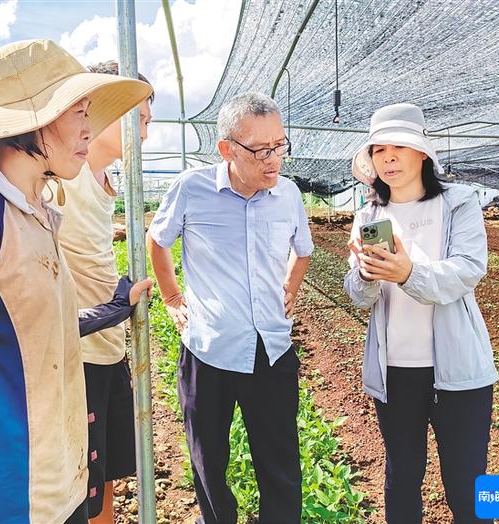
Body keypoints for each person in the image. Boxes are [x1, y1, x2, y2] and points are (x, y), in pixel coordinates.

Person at [0, 39, 152, 523]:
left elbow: (31, 331)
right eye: (77, 112)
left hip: (52, 485)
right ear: (30, 121)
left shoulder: (37, 214)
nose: (89, 127)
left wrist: (112, 308)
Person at [147, 92, 313, 524]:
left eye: (280, 145)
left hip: (271, 349)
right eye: (261, 150)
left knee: (279, 463)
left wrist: (291, 286)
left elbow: (304, 250)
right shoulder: (191, 188)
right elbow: (158, 241)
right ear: (227, 149)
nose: (273, 159)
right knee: (209, 461)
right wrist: (172, 298)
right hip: (210, 348)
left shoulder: (289, 194)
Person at [344, 103, 499, 524]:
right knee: (402, 477)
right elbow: (359, 297)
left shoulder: (458, 202)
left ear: (423, 154)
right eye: (379, 150)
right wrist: (366, 275)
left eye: (400, 146)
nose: (388, 157)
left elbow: (467, 270)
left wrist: (408, 272)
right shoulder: (371, 215)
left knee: (470, 484)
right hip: (396, 372)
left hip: (458, 370)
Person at [57, 60, 154, 523]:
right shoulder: (64, 181)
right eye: (141, 121)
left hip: (107, 345)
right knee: (82, 484)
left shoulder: (99, 178)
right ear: (107, 112)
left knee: (107, 476)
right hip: (76, 354)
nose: (147, 135)